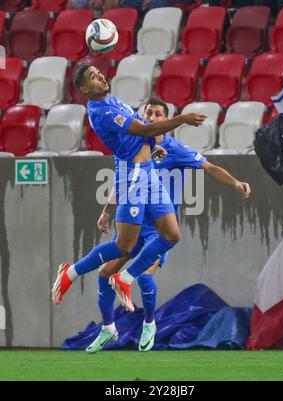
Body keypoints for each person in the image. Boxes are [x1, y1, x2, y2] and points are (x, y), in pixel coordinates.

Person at [85, 98, 252, 353]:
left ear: (166, 120)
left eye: (158, 114)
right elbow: (124, 182)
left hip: (158, 229)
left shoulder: (176, 149)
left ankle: (149, 323)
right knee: (105, 273)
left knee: (145, 273)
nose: (152, 117)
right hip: (132, 222)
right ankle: (107, 328)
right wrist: (106, 211)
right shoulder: (133, 143)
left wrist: (236, 182)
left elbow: (209, 167)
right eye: (149, 113)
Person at [51, 64, 207, 312]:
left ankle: (124, 278)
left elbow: (142, 133)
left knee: (172, 235)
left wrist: (153, 147)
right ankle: (71, 271)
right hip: (133, 175)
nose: (100, 75)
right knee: (124, 247)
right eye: (92, 76)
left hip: (148, 172)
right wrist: (183, 119)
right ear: (83, 89)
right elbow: (145, 129)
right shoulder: (102, 112)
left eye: (98, 71)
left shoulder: (113, 100)